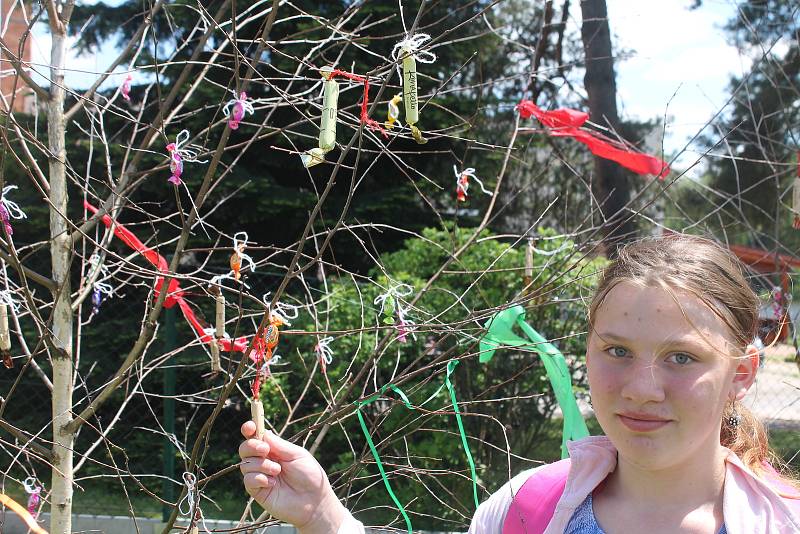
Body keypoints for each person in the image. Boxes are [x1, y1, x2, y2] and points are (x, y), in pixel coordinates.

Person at [239, 235, 800, 533]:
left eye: (681, 357)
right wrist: (322, 518)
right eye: (618, 351)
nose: (641, 389)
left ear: (742, 374)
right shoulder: (525, 509)